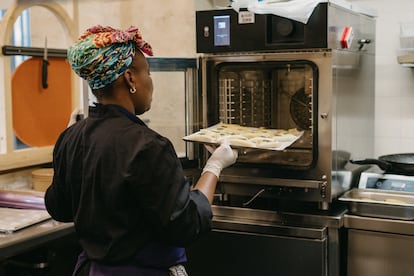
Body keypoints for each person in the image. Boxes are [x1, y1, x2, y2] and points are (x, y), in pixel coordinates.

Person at [44, 25, 238, 276]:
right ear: (130, 78)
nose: (150, 82)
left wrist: (67, 148)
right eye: (148, 72)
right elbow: (186, 224)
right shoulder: (147, 146)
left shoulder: (71, 136)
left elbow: (58, 208)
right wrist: (214, 166)